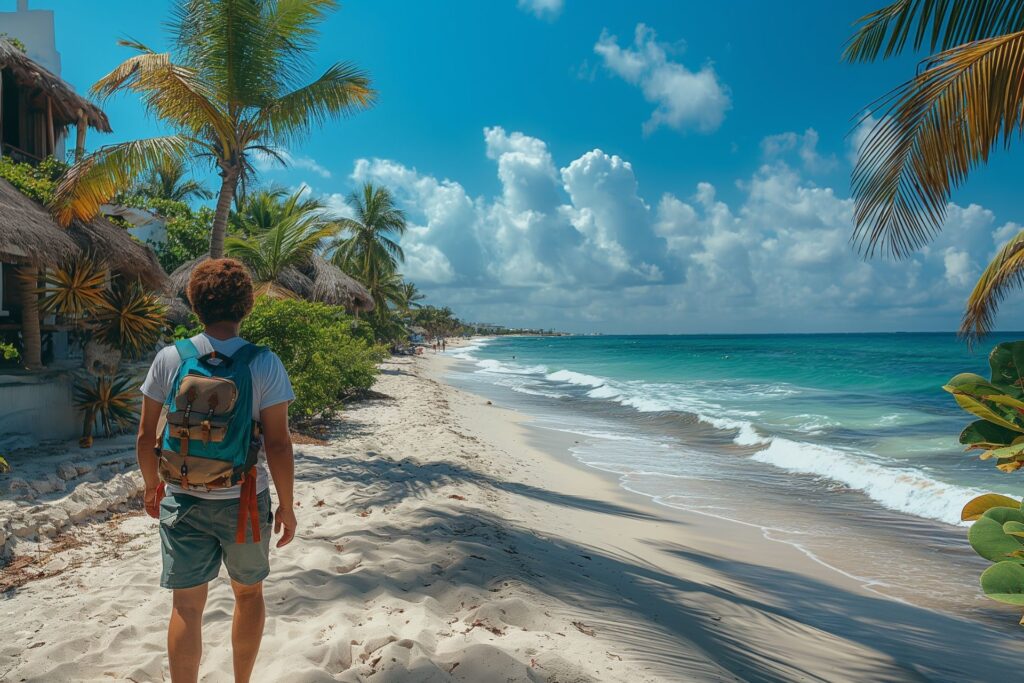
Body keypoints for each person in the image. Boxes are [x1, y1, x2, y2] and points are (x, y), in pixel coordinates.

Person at [136, 258, 297, 683]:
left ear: (194, 304)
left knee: (186, 607)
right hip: (243, 502)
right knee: (248, 594)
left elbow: (144, 438)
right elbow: (279, 444)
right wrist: (287, 505)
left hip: (183, 499)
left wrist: (152, 486)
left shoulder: (171, 358)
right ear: (247, 306)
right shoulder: (263, 363)